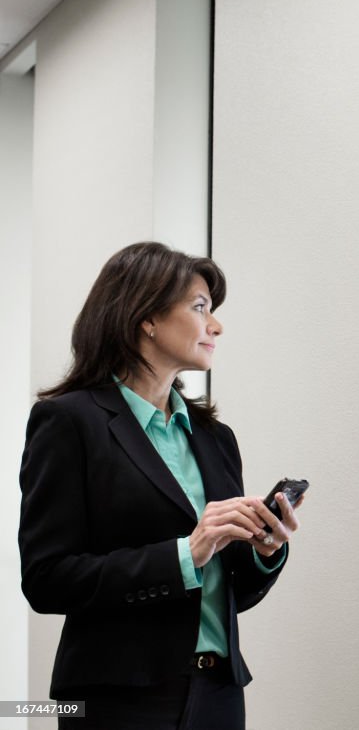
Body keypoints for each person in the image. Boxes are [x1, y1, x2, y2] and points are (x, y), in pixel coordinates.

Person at [18, 242, 302, 730]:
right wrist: (184, 554)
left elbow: (230, 589)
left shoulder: (215, 438)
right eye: (199, 308)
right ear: (145, 316)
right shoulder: (68, 422)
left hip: (219, 694)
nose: (216, 326)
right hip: (118, 703)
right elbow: (46, 579)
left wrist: (264, 549)